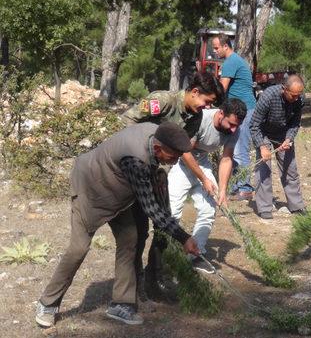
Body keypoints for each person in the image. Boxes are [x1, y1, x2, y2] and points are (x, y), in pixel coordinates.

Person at [35, 122, 199, 328]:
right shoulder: (135, 161)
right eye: (173, 157)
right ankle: (47, 303)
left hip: (117, 193)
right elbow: (153, 210)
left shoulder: (157, 132)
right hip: (90, 187)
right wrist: (184, 238)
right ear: (158, 149)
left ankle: (121, 303)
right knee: (78, 248)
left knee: (130, 240)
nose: (175, 162)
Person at [121, 72, 224, 301]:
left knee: (164, 224)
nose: (208, 107)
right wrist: (137, 153)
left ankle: (154, 279)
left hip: (158, 175)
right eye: (207, 101)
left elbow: (183, 148)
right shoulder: (163, 101)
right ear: (195, 92)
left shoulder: (195, 117)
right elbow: (127, 120)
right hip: (134, 170)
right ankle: (132, 285)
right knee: (136, 232)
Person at [168, 99, 247, 273]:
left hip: (202, 163)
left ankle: (195, 255)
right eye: (231, 124)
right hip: (182, 163)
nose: (234, 129)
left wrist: (223, 190)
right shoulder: (201, 119)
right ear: (220, 114)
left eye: (237, 125)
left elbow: (226, 158)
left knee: (209, 209)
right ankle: (168, 256)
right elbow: (185, 152)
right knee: (172, 211)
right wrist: (204, 179)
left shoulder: (235, 128)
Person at [250, 75, 305, 220]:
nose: (296, 98)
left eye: (298, 95)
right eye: (293, 95)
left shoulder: (299, 99)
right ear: (283, 89)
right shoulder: (268, 96)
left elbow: (295, 123)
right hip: (264, 133)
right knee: (264, 169)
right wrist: (262, 146)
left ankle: (297, 205)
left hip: (283, 134)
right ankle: (264, 208)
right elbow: (254, 125)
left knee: (290, 169)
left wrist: (289, 138)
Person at [212, 34, 256, 201]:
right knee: (234, 148)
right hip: (238, 110)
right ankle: (237, 185)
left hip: (243, 111)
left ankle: (245, 188)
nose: (215, 51)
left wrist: (210, 103)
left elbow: (222, 88)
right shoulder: (234, 60)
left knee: (239, 149)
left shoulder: (230, 62)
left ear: (225, 46)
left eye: (216, 48)